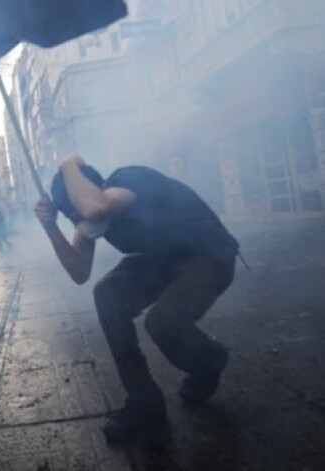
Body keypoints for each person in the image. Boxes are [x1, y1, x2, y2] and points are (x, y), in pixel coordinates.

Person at [35, 155, 239, 443]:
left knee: (162, 322)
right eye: (71, 217)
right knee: (108, 294)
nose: (78, 223)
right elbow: (79, 272)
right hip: (165, 260)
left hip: (209, 255)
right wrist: (50, 227)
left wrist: (67, 164)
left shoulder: (128, 180)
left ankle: (209, 360)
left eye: (76, 214)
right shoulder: (91, 216)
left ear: (95, 187)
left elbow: (95, 208)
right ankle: (144, 400)